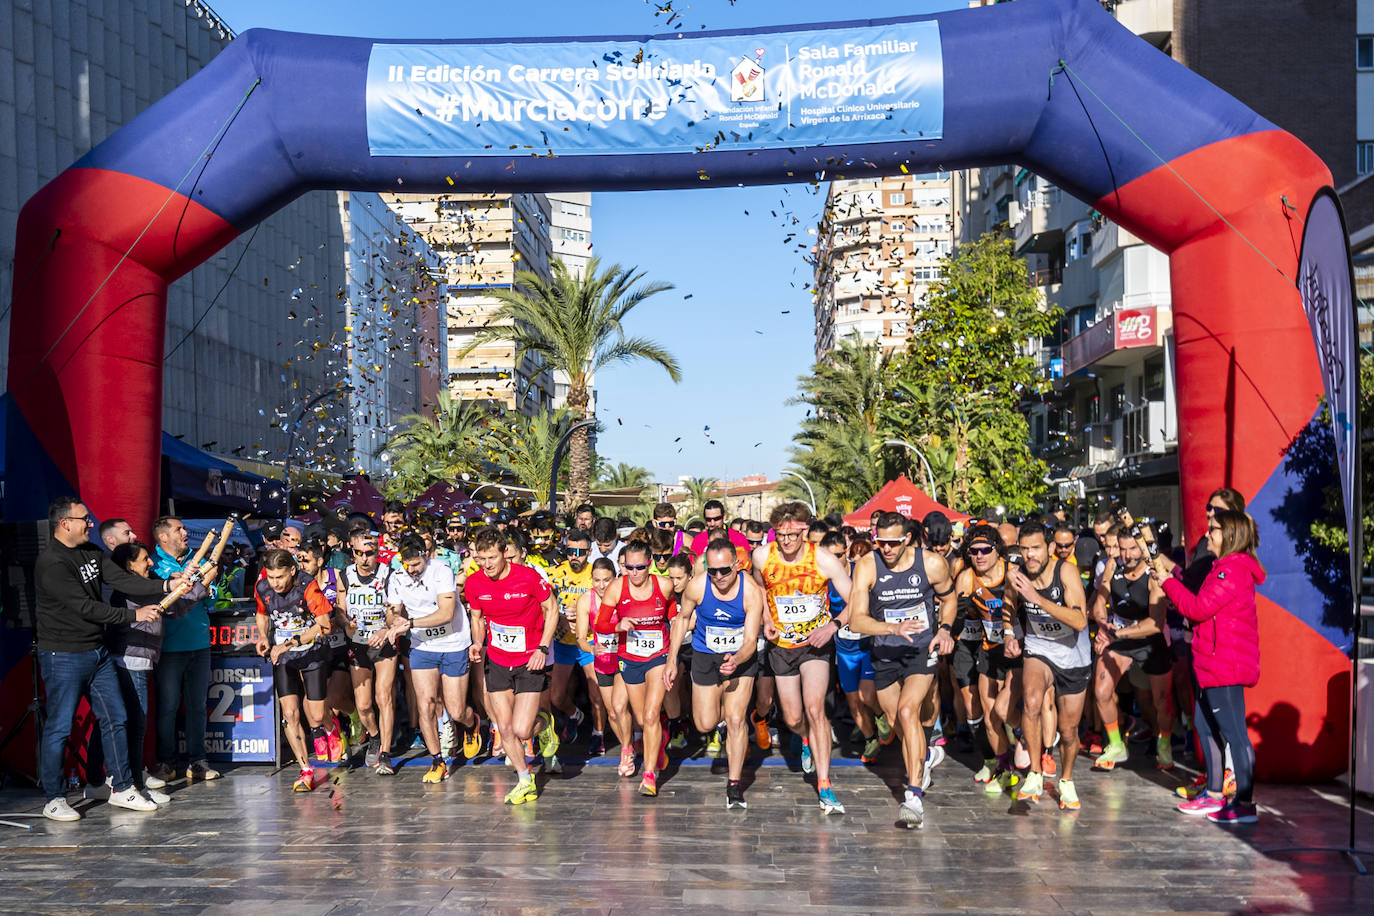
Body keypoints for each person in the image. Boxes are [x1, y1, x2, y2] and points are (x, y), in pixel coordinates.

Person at [35, 497, 163, 821]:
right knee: (59, 728)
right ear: (65, 524)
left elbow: (123, 579)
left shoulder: (92, 552)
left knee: (116, 716)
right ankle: (53, 797)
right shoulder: (52, 562)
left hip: (98, 652)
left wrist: (165, 584)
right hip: (63, 654)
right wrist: (135, 613)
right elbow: (86, 607)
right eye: (84, 519)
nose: (90, 523)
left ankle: (121, 787)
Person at [845, 511, 957, 828]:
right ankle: (925, 758)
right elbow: (856, 620)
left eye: (893, 543)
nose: (887, 549)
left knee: (909, 712)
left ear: (907, 538)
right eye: (881, 542)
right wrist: (892, 628)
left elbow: (948, 600)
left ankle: (914, 797)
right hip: (885, 652)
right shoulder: (868, 564)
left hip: (920, 650)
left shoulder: (932, 563)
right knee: (900, 726)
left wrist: (945, 629)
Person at [1156, 509, 1263, 824]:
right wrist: (1171, 582)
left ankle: (1244, 802)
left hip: (1224, 666)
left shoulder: (1231, 571)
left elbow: (1198, 608)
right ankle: (1214, 794)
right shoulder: (1223, 569)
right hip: (1211, 664)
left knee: (1234, 734)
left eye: (1214, 529)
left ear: (1229, 535)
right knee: (1205, 727)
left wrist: (1166, 582)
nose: (1208, 535)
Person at [751, 502, 852, 815]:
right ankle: (806, 739)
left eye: (792, 535)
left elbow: (855, 601)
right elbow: (758, 587)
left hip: (815, 645)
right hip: (781, 645)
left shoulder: (822, 559)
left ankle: (824, 785)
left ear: (804, 530)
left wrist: (833, 626)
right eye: (780, 535)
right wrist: (765, 618)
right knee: (794, 718)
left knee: (814, 707)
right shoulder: (761, 556)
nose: (786, 541)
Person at [464, 527, 561, 805]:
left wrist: (543, 647)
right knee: (504, 727)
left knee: (522, 730)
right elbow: (477, 617)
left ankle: (546, 723)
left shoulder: (528, 578)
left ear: (505, 552)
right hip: (497, 659)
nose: (487, 565)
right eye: (481, 559)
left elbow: (551, 610)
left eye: (491, 558)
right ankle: (524, 780)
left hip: (530, 660)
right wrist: (477, 642)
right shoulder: (474, 583)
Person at [666, 539, 763, 809]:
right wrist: (672, 660)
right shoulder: (697, 585)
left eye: (724, 570)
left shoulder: (751, 592)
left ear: (737, 565)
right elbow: (683, 619)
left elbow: (752, 641)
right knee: (705, 723)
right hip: (705, 656)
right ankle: (730, 727)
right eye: (713, 571)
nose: (719, 577)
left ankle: (734, 785)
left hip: (740, 658)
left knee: (734, 719)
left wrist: (737, 660)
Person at [107, 541, 206, 806]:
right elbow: (168, 601)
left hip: (142, 660)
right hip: (130, 660)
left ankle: (131, 781)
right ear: (129, 566)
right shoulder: (131, 590)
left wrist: (195, 584)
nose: (151, 563)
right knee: (136, 724)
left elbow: (175, 607)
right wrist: (185, 583)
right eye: (144, 560)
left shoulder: (148, 585)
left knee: (136, 723)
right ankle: (130, 784)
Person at [1004, 522, 1090, 810]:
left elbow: (1080, 621)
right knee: (1030, 702)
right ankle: (1035, 774)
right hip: (1038, 647)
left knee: (1068, 730)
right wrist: (1009, 633)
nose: (1030, 556)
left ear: (1050, 548)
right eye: (1025, 549)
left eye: (1036, 548)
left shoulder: (1065, 571)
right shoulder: (1017, 574)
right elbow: (1009, 603)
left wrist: (1036, 598)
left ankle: (1065, 780)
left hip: (1072, 651)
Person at [388, 533, 476, 784]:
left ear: (425, 556)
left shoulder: (441, 571)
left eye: (416, 564)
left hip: (452, 642)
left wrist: (410, 623)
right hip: (422, 647)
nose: (412, 570)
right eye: (408, 565)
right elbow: (393, 610)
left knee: (457, 710)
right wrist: (393, 620)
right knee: (425, 704)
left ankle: (472, 725)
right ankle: (438, 761)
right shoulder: (397, 576)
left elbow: (447, 613)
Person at [595, 540, 676, 797]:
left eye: (640, 567)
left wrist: (678, 626)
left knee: (651, 715)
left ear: (649, 564)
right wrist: (618, 626)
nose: (635, 573)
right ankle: (658, 739)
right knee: (642, 719)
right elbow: (600, 624)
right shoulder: (616, 588)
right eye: (629, 567)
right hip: (629, 657)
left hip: (657, 655)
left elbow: (673, 613)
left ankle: (649, 775)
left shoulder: (663, 585)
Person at [1090, 526, 1175, 772]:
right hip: (1120, 638)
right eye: (1122, 549)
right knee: (1101, 691)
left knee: (1161, 702)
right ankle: (1116, 744)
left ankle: (1165, 742)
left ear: (1142, 549)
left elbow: (1155, 624)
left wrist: (1114, 633)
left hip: (1150, 641)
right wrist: (1102, 624)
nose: (1126, 555)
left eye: (1132, 549)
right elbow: (1100, 599)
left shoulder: (1153, 575)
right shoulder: (1113, 565)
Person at [254, 548, 335, 793]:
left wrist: (290, 643)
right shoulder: (262, 586)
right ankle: (306, 770)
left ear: (292, 570)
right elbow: (261, 613)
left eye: (280, 577)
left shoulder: (307, 586)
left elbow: (325, 626)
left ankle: (331, 726)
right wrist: (263, 637)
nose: (275, 583)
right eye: (271, 577)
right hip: (283, 654)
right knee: (290, 714)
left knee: (317, 715)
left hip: (312, 650)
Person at [150, 516, 220, 784]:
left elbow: (212, 593)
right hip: (169, 647)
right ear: (163, 537)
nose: (185, 532)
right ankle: (166, 761)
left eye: (184, 528)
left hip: (200, 643)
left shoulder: (199, 558)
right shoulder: (154, 564)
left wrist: (207, 586)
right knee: (167, 706)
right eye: (178, 529)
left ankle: (198, 760)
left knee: (197, 706)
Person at [956, 525, 1024, 795]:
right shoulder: (967, 578)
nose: (980, 555)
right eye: (974, 551)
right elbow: (955, 613)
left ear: (998, 550)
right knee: (989, 716)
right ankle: (1005, 767)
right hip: (990, 648)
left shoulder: (1013, 572)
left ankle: (1024, 739)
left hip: (1019, 648)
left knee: (1005, 708)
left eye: (986, 550)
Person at [341, 531, 405, 773]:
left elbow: (395, 609)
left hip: (383, 642)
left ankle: (386, 754)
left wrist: (386, 627)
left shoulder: (388, 574)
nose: (365, 558)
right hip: (357, 643)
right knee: (364, 705)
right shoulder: (345, 575)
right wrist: (346, 623)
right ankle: (375, 735)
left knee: (383, 696)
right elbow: (339, 608)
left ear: (378, 553)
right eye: (360, 553)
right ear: (353, 553)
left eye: (370, 553)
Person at [821, 532, 884, 764]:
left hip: (866, 643)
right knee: (852, 700)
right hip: (843, 648)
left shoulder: (860, 572)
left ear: (846, 552)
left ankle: (880, 715)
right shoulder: (821, 578)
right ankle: (871, 738)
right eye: (829, 556)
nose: (834, 561)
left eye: (838, 555)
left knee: (866, 694)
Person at [548, 528, 606, 754]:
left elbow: (608, 606)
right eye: (571, 551)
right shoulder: (554, 573)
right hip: (563, 642)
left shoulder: (596, 574)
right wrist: (559, 620)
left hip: (590, 641)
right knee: (557, 697)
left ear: (589, 552)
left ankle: (598, 734)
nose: (575, 556)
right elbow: (546, 606)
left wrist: (587, 622)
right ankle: (575, 714)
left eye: (581, 552)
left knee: (597, 695)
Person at [296, 540, 349, 762]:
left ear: (319, 561)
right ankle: (323, 733)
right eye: (298, 560)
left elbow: (343, 610)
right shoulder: (295, 582)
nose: (301, 565)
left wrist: (333, 621)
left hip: (337, 644)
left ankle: (351, 715)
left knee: (334, 698)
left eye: (305, 560)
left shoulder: (335, 574)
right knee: (311, 699)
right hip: (311, 647)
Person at [576, 558, 633, 759]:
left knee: (620, 707)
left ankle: (627, 750)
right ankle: (630, 745)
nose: (601, 585)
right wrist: (591, 650)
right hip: (603, 661)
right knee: (612, 713)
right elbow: (581, 639)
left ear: (614, 577)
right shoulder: (586, 600)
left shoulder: (623, 596)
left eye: (606, 580)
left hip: (626, 659)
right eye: (597, 580)